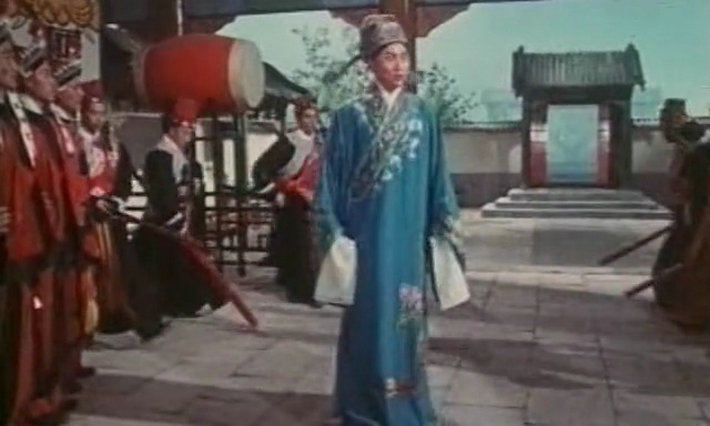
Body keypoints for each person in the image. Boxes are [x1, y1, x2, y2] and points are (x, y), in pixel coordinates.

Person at [314, 15, 469, 425]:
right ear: (370, 63)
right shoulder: (348, 117)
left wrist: (443, 227)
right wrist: (335, 234)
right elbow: (330, 182)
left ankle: (405, 403)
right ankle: (362, 405)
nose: (399, 65)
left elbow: (437, 177)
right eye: (389, 57)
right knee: (367, 322)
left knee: (405, 321)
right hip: (366, 243)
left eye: (403, 56)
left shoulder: (424, 114)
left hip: (408, 242)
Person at [132, 99, 212, 337]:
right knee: (156, 270)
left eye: (191, 131)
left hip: (181, 221)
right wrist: (174, 218)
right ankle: (153, 317)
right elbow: (161, 193)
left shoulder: (184, 157)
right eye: (186, 130)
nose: (189, 136)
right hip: (162, 223)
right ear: (173, 128)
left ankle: (182, 304)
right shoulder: (159, 155)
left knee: (181, 264)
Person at [79, 80, 137, 334]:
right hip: (87, 215)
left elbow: (125, 179)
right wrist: (92, 202)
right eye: (93, 112)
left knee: (117, 268)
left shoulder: (113, 144)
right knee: (92, 270)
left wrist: (117, 200)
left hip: (111, 215)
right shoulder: (76, 142)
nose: (98, 118)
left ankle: (115, 314)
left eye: (102, 113)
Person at [273, 99, 323, 305]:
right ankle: (303, 292)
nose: (311, 121)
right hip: (295, 197)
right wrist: (282, 188)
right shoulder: (288, 142)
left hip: (315, 197)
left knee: (315, 247)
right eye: (307, 117)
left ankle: (315, 287)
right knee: (302, 247)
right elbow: (263, 169)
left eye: (314, 116)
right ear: (299, 118)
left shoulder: (320, 142)